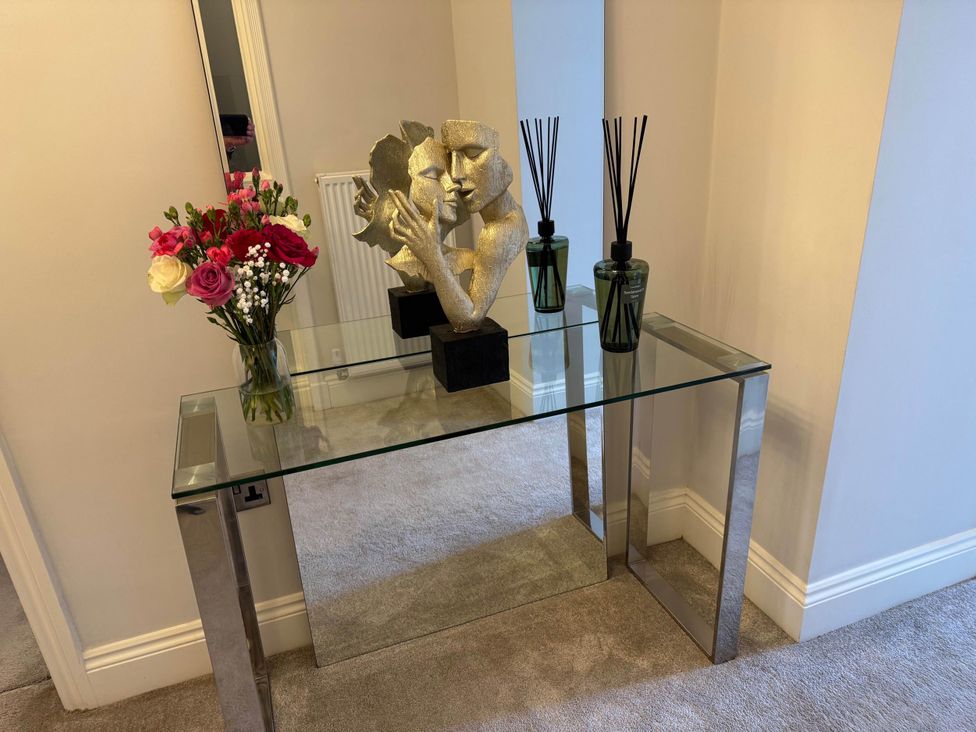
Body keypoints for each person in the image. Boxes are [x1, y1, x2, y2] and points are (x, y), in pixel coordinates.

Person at [390, 120, 527, 332]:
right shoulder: (467, 203)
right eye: (452, 158)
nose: (456, 175)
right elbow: (414, 280)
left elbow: (468, 319)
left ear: (501, 163)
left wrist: (433, 257)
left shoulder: (499, 233)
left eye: (473, 154)